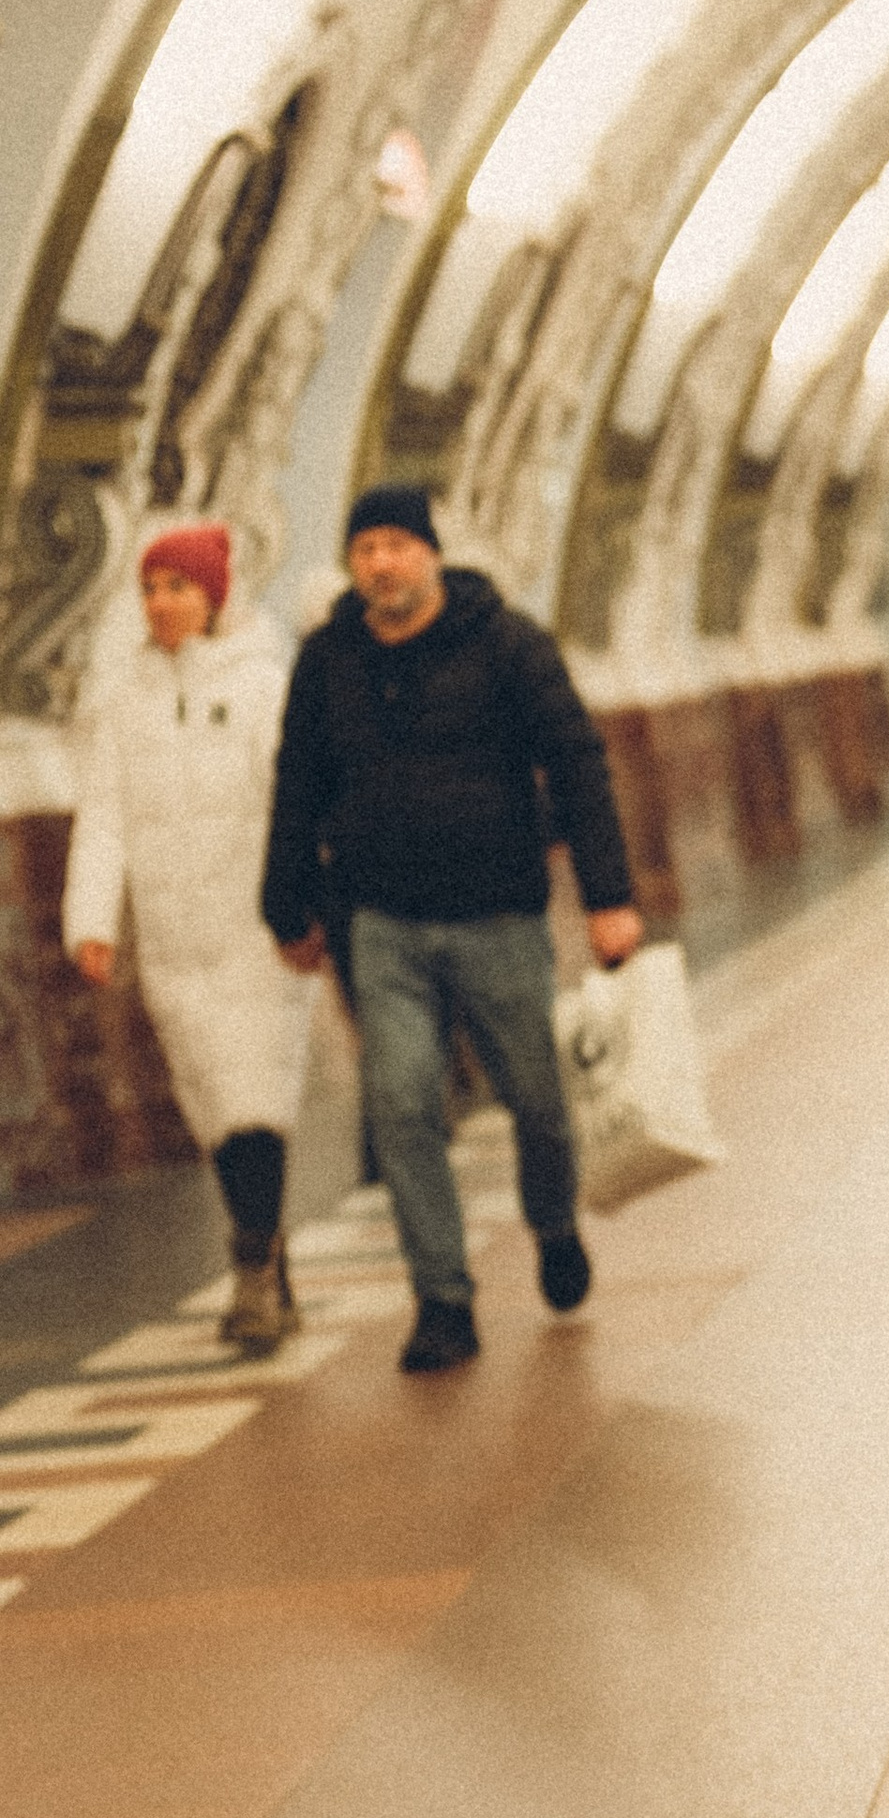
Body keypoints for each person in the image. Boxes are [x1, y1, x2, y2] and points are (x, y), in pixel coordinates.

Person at [261, 485, 642, 1373]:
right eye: (365, 550)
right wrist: (287, 905)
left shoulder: (507, 643)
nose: (380, 564)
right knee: (400, 1104)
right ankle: (442, 1299)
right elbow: (297, 784)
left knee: (539, 1101)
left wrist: (609, 896)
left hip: (497, 913)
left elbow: (577, 762)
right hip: (382, 922)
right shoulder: (328, 661)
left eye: (397, 545)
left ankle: (553, 1222)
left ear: (431, 553)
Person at [65, 524, 313, 1354]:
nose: (160, 603)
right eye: (149, 588)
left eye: (177, 587)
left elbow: (293, 800)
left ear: (214, 596)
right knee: (214, 1104)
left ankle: (252, 1272)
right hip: (174, 942)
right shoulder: (122, 701)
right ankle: (269, 1257)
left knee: (256, 1098)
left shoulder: (262, 685)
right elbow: (103, 815)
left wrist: (304, 904)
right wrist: (92, 921)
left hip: (255, 931)